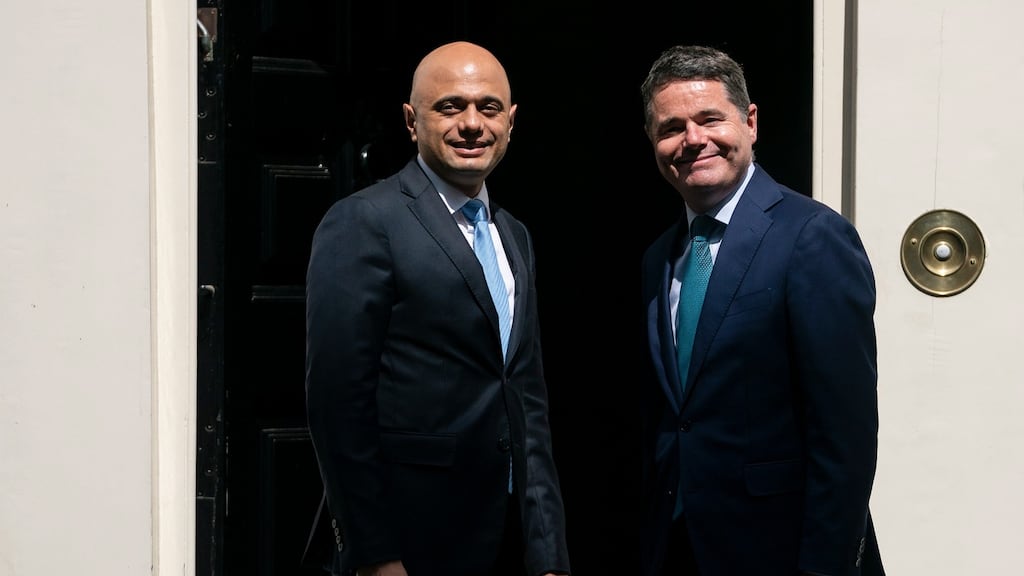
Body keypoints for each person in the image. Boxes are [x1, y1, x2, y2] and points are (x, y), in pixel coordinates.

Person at [304, 41, 571, 576]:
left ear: (511, 121)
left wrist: (548, 553)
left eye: (489, 108)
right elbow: (337, 404)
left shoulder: (514, 235)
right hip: (411, 542)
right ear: (412, 120)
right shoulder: (364, 221)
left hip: (506, 540)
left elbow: (526, 399)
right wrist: (375, 554)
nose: (472, 124)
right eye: (450, 107)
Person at [637, 45, 884, 576]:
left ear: (750, 122)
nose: (692, 139)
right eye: (672, 127)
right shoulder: (659, 257)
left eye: (710, 119)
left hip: (784, 551)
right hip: (681, 547)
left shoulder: (813, 237)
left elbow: (846, 438)